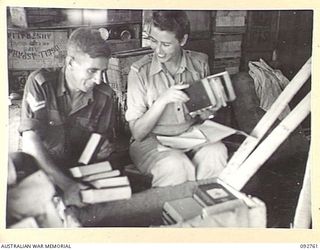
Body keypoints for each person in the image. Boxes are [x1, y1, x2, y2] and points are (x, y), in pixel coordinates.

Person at [12, 27, 116, 209]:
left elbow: (98, 144)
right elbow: (30, 142)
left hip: (78, 170)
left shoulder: (105, 95)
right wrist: (67, 185)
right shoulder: (40, 83)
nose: (99, 80)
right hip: (40, 168)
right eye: (92, 71)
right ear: (70, 63)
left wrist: (100, 151)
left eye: (103, 71)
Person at [125, 10, 228, 187]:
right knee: (176, 165)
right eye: (153, 41)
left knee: (217, 151)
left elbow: (204, 116)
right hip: (151, 140)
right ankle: (174, 213)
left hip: (189, 134)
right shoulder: (139, 71)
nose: (158, 50)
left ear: (182, 40)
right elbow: (138, 133)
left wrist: (209, 112)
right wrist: (163, 100)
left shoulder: (199, 63)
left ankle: (204, 208)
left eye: (166, 44)